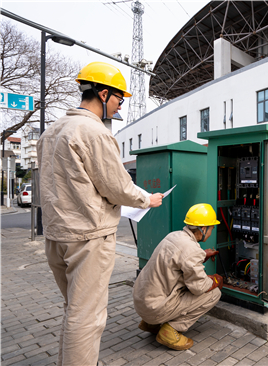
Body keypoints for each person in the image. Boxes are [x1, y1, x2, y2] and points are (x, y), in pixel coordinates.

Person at [37, 61, 164, 366]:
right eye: (119, 99)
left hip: (57, 237)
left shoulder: (51, 132)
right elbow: (117, 186)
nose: (120, 107)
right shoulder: (94, 132)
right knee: (88, 318)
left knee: (74, 310)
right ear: (104, 93)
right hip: (88, 239)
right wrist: (149, 198)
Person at [133, 203, 223, 351]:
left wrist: (203, 255)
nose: (211, 232)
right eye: (212, 228)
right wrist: (215, 280)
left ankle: (151, 323)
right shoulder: (192, 250)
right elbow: (199, 287)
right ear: (203, 228)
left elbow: (179, 261)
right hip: (154, 308)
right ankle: (170, 330)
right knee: (214, 294)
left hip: (142, 302)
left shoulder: (174, 236)